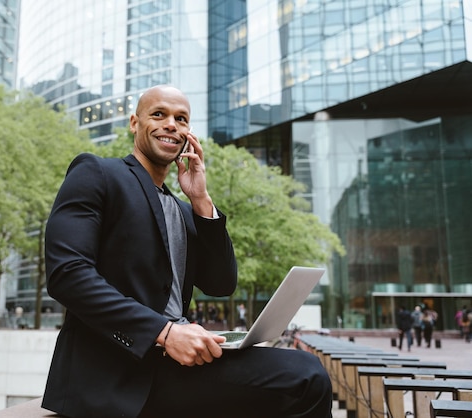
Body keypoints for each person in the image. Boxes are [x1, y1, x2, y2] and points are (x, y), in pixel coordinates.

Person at [41, 85, 332, 418]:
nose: (171, 125)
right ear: (135, 123)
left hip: (175, 364)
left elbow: (221, 284)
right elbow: (67, 275)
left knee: (295, 377)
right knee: (305, 376)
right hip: (117, 374)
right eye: (159, 114)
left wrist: (201, 201)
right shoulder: (97, 173)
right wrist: (164, 333)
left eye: (181, 119)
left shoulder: (183, 209)